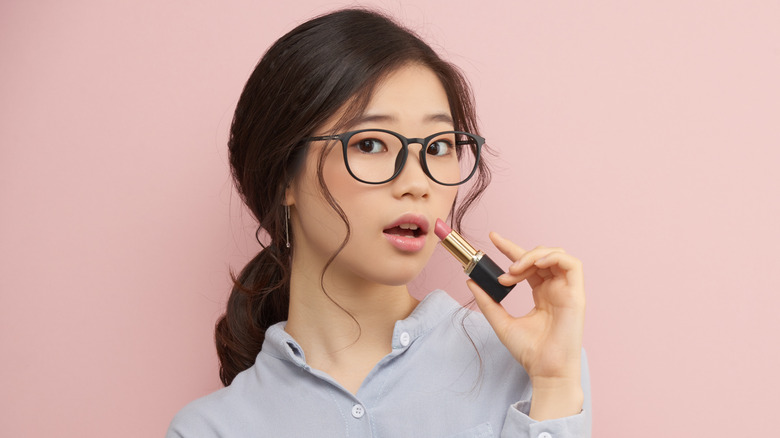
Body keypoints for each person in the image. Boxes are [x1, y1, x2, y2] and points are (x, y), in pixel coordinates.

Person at [167, 8, 590, 438]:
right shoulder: (209, 429)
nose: (417, 183)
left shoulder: (533, 367)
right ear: (283, 179)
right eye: (370, 143)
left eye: (440, 146)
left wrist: (555, 384)